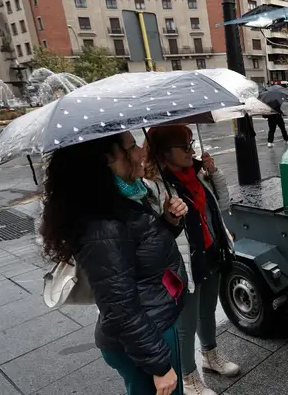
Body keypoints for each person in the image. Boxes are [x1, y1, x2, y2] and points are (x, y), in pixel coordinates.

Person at [39, 131, 189, 395]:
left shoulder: (124, 200)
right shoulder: (103, 225)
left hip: (153, 323)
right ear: (107, 160)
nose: (141, 153)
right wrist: (159, 365)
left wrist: (168, 220)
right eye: (131, 148)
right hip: (144, 339)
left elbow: (143, 252)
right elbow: (119, 307)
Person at [143, 126, 239, 395]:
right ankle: (188, 377)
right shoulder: (154, 186)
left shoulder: (196, 174)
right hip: (183, 264)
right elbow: (152, 236)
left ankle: (210, 355)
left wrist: (213, 173)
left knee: (208, 310)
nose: (191, 150)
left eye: (191, 143)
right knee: (185, 324)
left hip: (211, 252)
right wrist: (166, 215)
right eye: (184, 147)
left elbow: (223, 204)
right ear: (164, 153)